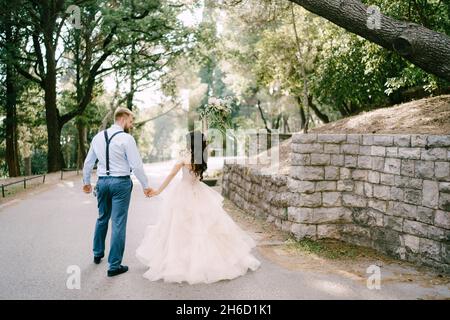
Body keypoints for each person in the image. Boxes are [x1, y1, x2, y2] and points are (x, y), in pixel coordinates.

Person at [136, 131, 260, 284]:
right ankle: (210, 261)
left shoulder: (185, 157)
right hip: (199, 191)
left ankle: (182, 262)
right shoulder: (202, 157)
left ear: (191, 143)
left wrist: (157, 191)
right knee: (205, 228)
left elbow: (171, 176)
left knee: (178, 228)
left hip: (183, 192)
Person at [82, 107, 153, 277]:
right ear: (123, 118)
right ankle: (114, 265)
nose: (132, 123)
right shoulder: (127, 139)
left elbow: (88, 162)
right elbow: (136, 165)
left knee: (102, 218)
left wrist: (86, 182)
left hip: (102, 183)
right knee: (118, 222)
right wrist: (145, 185)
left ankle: (98, 254)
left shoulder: (97, 137)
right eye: (131, 120)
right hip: (120, 183)